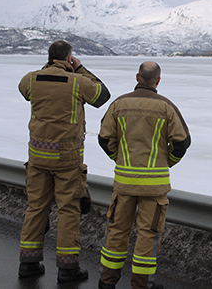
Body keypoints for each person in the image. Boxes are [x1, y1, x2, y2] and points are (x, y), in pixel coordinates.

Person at [17, 40, 111, 283]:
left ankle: (28, 262)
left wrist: (49, 67)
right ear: (69, 58)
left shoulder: (30, 79)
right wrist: (79, 69)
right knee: (68, 209)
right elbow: (103, 95)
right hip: (67, 159)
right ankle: (67, 268)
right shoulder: (78, 83)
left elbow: (25, 89)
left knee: (36, 207)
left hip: (38, 156)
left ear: (49, 58)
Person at [97, 61, 191, 289]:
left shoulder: (119, 104)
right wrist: (167, 162)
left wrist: (118, 159)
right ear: (157, 81)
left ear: (137, 77)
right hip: (154, 186)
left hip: (124, 184)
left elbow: (103, 139)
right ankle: (142, 284)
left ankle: (107, 282)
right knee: (148, 234)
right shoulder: (166, 107)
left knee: (117, 231)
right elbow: (182, 142)